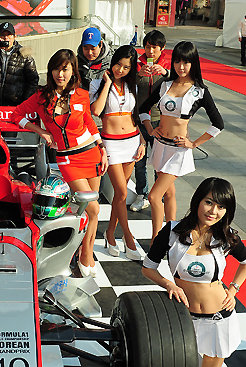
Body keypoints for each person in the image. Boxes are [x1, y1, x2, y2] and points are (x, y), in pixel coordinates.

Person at [11, 49, 108, 278]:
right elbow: (17, 115)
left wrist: (102, 148)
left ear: (73, 70)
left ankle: (86, 252)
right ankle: (84, 255)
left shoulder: (81, 95)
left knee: (92, 211)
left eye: (65, 69)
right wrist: (40, 131)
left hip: (91, 153)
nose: (60, 74)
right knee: (92, 207)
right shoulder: (42, 96)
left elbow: (89, 122)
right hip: (67, 159)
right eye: (56, 69)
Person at [142, 177, 246, 367]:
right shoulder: (172, 231)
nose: (213, 211)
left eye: (221, 206)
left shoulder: (227, 236)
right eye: (209, 202)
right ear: (198, 200)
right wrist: (169, 284)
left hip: (218, 317)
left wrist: (233, 289)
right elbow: (148, 268)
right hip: (182, 317)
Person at [139, 41, 224, 241]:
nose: (181, 67)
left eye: (186, 62)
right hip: (160, 147)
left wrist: (193, 144)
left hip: (178, 151)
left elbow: (218, 124)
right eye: (177, 61)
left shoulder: (200, 91)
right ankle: (171, 238)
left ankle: (156, 241)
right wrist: (150, 129)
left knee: (153, 196)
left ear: (194, 63)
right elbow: (143, 109)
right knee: (168, 194)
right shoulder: (165, 84)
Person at [90, 45, 145, 261]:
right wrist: (107, 83)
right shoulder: (98, 83)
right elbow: (96, 110)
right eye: (118, 65)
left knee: (120, 196)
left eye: (126, 67)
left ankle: (111, 233)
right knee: (121, 192)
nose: (120, 70)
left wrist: (142, 141)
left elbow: (135, 115)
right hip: (111, 144)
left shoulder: (133, 86)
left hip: (132, 141)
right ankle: (128, 238)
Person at [131, 29, 170, 213]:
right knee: (139, 161)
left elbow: (179, 81)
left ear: (162, 48)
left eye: (155, 47)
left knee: (158, 161)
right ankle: (142, 194)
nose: (151, 51)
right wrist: (139, 75)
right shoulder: (138, 63)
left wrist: (166, 73)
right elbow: (129, 84)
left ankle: (158, 195)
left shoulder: (168, 66)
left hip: (159, 121)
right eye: (148, 47)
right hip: (139, 119)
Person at [0, 22, 39, 106]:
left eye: (9, 35)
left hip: (17, 104)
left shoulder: (24, 55)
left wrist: (25, 102)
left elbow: (33, 82)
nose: (6, 38)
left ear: (14, 37)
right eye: (3, 35)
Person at [77, 27, 114, 92]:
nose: (90, 53)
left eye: (93, 49)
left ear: (101, 45)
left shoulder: (111, 63)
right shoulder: (76, 61)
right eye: (86, 49)